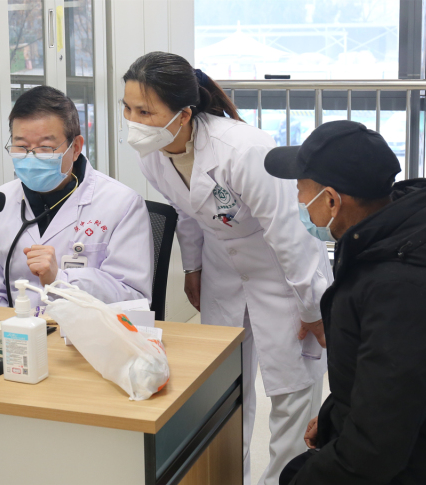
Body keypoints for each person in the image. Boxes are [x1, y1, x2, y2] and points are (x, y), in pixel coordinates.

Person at [122, 52, 332, 485]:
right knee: (225, 390)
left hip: (282, 274)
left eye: (145, 112)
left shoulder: (243, 150)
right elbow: (187, 213)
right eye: (128, 108)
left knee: (291, 392)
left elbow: (289, 232)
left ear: (183, 114)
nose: (133, 121)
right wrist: (193, 268)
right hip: (223, 270)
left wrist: (313, 308)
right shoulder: (154, 155)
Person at [265, 120, 426, 485]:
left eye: (301, 191)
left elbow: (374, 450)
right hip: (414, 438)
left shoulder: (406, 292)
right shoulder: (391, 236)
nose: (298, 201)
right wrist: (333, 416)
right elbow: (388, 382)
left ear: (331, 200)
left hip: (424, 467)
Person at [0, 86, 154, 309]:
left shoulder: (122, 204)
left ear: (76, 147)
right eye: (21, 146)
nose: (32, 156)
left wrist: (60, 279)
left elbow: (133, 298)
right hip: (14, 328)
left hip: (85, 329)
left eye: (46, 147)